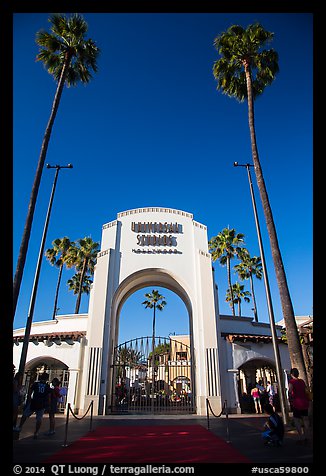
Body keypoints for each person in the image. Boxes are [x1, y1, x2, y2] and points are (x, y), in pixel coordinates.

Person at [15, 373, 51, 439]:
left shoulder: (36, 384)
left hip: (34, 401)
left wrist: (29, 399)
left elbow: (30, 391)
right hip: (42, 403)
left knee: (25, 414)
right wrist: (48, 404)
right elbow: (48, 396)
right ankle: (36, 432)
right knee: (39, 418)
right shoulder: (47, 386)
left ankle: (20, 426)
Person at [288, 367, 310, 444]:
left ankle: (301, 437)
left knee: (297, 420)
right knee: (305, 419)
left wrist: (290, 400)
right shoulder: (302, 381)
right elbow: (306, 390)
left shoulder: (292, 382)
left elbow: (290, 392)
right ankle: (306, 436)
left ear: (291, 374)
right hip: (304, 402)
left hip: (297, 403)